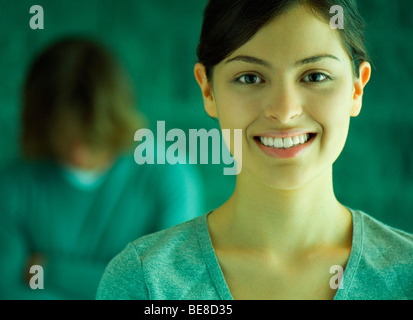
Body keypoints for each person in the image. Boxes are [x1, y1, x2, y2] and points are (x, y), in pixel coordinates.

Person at [96, 0, 413, 300]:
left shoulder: (407, 275)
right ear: (207, 89)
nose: (284, 111)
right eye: (250, 78)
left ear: (357, 88)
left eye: (315, 76)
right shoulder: (146, 280)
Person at [0, 37, 204, 300]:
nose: (77, 151)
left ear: (115, 120)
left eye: (91, 136)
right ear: (42, 125)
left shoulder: (168, 176)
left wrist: (51, 271)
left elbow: (170, 293)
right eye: (62, 135)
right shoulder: (10, 189)